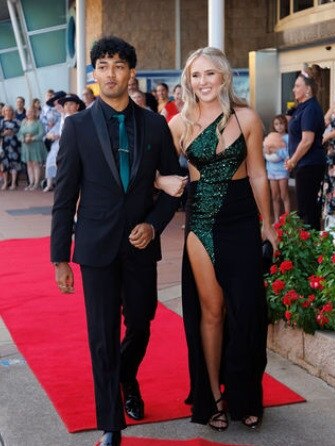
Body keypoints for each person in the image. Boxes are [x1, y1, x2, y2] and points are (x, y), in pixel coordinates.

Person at [50, 36, 181, 446]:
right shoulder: (76, 127)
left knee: (141, 324)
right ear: (94, 73)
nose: (110, 73)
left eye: (118, 66)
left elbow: (176, 187)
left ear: (131, 73)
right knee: (102, 333)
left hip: (141, 244)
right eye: (103, 65)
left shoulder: (156, 125)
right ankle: (111, 424)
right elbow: (65, 195)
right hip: (95, 245)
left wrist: (154, 225)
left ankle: (126, 377)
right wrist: (60, 257)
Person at [155, 47, 277, 431]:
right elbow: (149, 171)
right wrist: (161, 179)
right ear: (188, 81)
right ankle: (214, 397)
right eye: (195, 75)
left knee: (249, 312)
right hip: (201, 223)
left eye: (210, 74)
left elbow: (258, 174)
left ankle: (246, 394)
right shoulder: (178, 124)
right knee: (211, 311)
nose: (203, 82)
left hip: (241, 221)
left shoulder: (247, 118)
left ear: (224, 77)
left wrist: (268, 225)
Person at [285, 65, 326, 230]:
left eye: (297, 86)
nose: (294, 89)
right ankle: (311, 247)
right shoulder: (302, 107)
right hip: (304, 164)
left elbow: (307, 140)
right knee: (306, 208)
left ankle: (311, 250)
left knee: (307, 210)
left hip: (309, 164)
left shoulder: (310, 108)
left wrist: (293, 160)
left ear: (307, 89)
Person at [263, 114, 290, 222]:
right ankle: (276, 220)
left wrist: (276, 151)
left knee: (284, 195)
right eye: (276, 124)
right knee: (274, 196)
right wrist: (266, 151)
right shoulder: (270, 137)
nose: (279, 126)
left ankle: (288, 221)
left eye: (281, 124)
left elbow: (288, 154)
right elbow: (264, 153)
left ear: (285, 125)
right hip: (271, 170)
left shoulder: (288, 138)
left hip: (282, 170)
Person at [18, 107, 47, 190]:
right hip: (26, 146)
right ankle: (31, 183)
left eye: (31, 112)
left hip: (36, 146)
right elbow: (19, 134)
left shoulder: (38, 122)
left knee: (35, 164)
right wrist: (23, 139)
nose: (29, 113)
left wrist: (32, 138)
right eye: (28, 112)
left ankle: (36, 183)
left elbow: (42, 133)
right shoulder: (24, 122)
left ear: (35, 113)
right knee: (29, 165)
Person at [43, 91, 66, 192]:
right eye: (55, 104)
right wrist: (51, 135)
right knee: (51, 159)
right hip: (58, 146)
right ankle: (50, 184)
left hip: (66, 148)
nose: (56, 106)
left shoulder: (71, 116)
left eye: (58, 103)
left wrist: (60, 136)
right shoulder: (61, 117)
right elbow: (49, 134)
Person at [0, 105, 21, 190]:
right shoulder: (1, 122)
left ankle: (13, 183)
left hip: (14, 145)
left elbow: (21, 132)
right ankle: (5, 182)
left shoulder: (17, 121)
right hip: (4, 145)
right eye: (6, 110)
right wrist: (3, 134)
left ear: (12, 111)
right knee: (4, 164)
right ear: (3, 112)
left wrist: (13, 132)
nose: (8, 112)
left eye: (9, 110)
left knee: (14, 163)